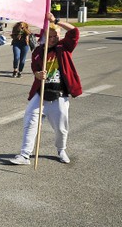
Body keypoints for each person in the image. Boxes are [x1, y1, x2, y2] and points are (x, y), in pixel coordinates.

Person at [10, 14, 82, 166]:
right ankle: (25, 155)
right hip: (41, 94)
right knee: (30, 121)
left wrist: (56, 22)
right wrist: (38, 74)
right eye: (51, 36)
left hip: (60, 95)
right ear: (44, 37)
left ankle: (61, 149)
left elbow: (75, 31)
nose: (54, 39)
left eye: (56, 36)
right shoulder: (38, 52)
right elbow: (34, 68)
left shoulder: (64, 48)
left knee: (61, 128)